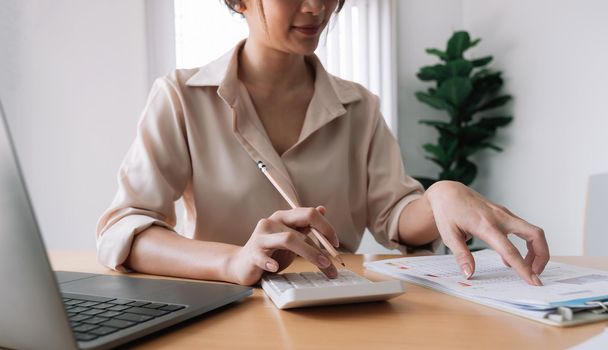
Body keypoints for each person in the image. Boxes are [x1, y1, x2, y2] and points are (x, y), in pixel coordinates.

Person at [96, 0, 549, 286]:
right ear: (240, 2)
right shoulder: (180, 97)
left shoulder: (360, 106)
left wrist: (442, 195)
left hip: (340, 308)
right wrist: (235, 262)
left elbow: (395, 217)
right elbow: (124, 232)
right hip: (224, 314)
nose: (317, 7)